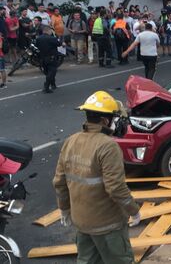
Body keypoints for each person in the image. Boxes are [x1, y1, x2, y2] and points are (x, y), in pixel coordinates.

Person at [53, 91, 140, 264]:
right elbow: (115, 187)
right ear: (104, 121)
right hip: (108, 225)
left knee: (87, 261)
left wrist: (64, 209)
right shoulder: (108, 146)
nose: (118, 122)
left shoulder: (71, 141)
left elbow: (59, 181)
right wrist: (134, 210)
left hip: (82, 222)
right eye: (115, 118)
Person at [36, 26, 63, 93]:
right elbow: (59, 44)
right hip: (51, 57)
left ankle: (53, 84)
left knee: (48, 72)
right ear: (48, 31)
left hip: (42, 58)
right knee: (52, 72)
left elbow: (37, 46)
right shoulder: (51, 38)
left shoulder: (38, 38)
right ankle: (46, 87)